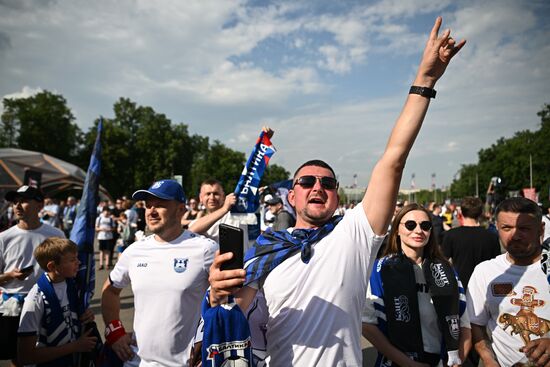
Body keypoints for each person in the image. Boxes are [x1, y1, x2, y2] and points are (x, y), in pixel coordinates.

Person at [207, 17, 465, 366]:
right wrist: (217, 293)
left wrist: (425, 80)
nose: (318, 187)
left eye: (327, 183)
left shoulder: (354, 232)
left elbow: (393, 160)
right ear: (291, 197)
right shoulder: (267, 249)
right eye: (307, 182)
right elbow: (235, 317)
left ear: (336, 195)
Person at [101, 179, 217, 366]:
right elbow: (110, 290)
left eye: (160, 205)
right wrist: (115, 332)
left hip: (185, 363)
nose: (151, 211)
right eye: (148, 206)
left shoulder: (205, 249)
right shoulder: (135, 250)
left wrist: (213, 346)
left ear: (181, 209)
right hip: (136, 361)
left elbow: (229, 301)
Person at [363, 203, 471, 366]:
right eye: (410, 225)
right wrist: (407, 363)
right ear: (397, 231)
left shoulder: (446, 271)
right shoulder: (379, 270)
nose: (418, 231)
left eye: (425, 226)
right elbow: (367, 324)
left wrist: (457, 361)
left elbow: (464, 325)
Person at [467, 197, 550, 366]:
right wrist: (488, 359)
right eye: (507, 228)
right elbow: (476, 324)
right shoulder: (485, 271)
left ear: (541, 229)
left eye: (524, 228)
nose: (515, 236)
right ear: (496, 228)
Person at [0, 185, 65, 367]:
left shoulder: (56, 235)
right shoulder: (4, 238)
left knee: (48, 353)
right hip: (13, 307)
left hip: (48, 302)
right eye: (15, 202)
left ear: (40, 205)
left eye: (24, 201)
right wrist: (9, 276)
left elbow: (68, 271)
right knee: (18, 357)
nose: (17, 206)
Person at [17, 237, 97, 366]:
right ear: (53, 266)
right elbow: (25, 356)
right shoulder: (35, 300)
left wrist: (85, 314)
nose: (79, 262)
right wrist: (75, 346)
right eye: (72, 260)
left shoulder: (73, 284)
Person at [442, 196, 501, 289]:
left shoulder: (451, 235)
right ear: (480, 213)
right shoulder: (492, 236)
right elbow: (497, 263)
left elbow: (443, 262)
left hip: (461, 286)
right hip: (485, 284)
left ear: (461, 212)